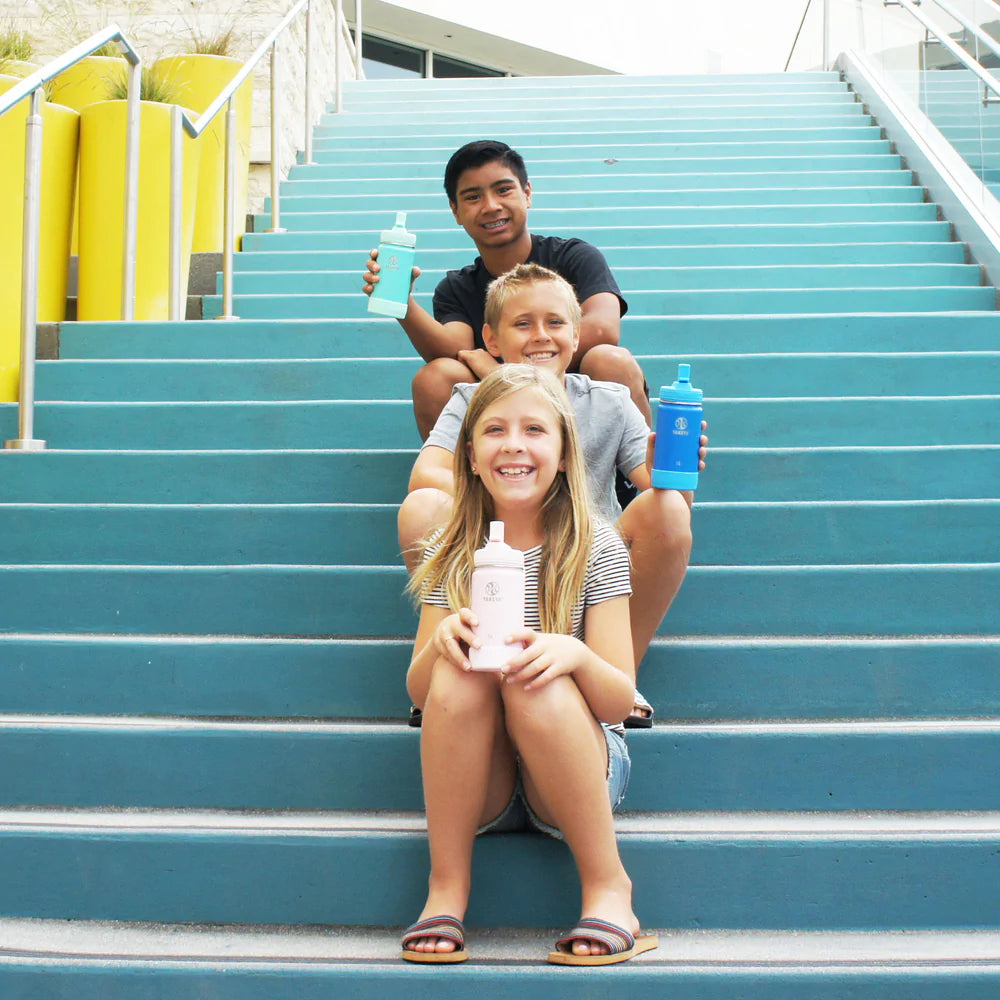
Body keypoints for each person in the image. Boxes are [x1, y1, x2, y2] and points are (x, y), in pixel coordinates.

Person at [401, 362, 658, 967]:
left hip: (577, 767)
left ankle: (608, 887)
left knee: (534, 677)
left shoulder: (595, 544)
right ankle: (446, 888)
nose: (513, 445)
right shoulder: (453, 548)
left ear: (567, 453)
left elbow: (621, 701)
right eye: (494, 430)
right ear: (469, 455)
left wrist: (572, 655)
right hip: (482, 776)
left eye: (535, 431)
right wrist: (443, 647)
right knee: (458, 669)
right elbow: (418, 690)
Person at [399, 263, 705, 729]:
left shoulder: (609, 401)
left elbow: (669, 506)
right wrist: (514, 495)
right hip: (496, 550)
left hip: (586, 559)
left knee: (666, 507)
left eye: (555, 322)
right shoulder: (470, 399)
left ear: (578, 335)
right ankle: (453, 666)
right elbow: (427, 474)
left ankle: (618, 674)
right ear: (492, 340)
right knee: (422, 506)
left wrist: (671, 470)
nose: (540, 335)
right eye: (523, 323)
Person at [362, 139, 651, 438]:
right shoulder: (457, 287)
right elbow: (454, 349)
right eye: (473, 197)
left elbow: (604, 329)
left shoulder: (574, 257)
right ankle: (467, 483)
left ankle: (637, 480)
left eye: (503, 190)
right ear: (456, 211)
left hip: (578, 404)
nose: (491, 206)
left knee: (609, 360)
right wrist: (402, 304)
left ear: (527, 193)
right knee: (435, 377)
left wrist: (501, 368)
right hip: (506, 419)